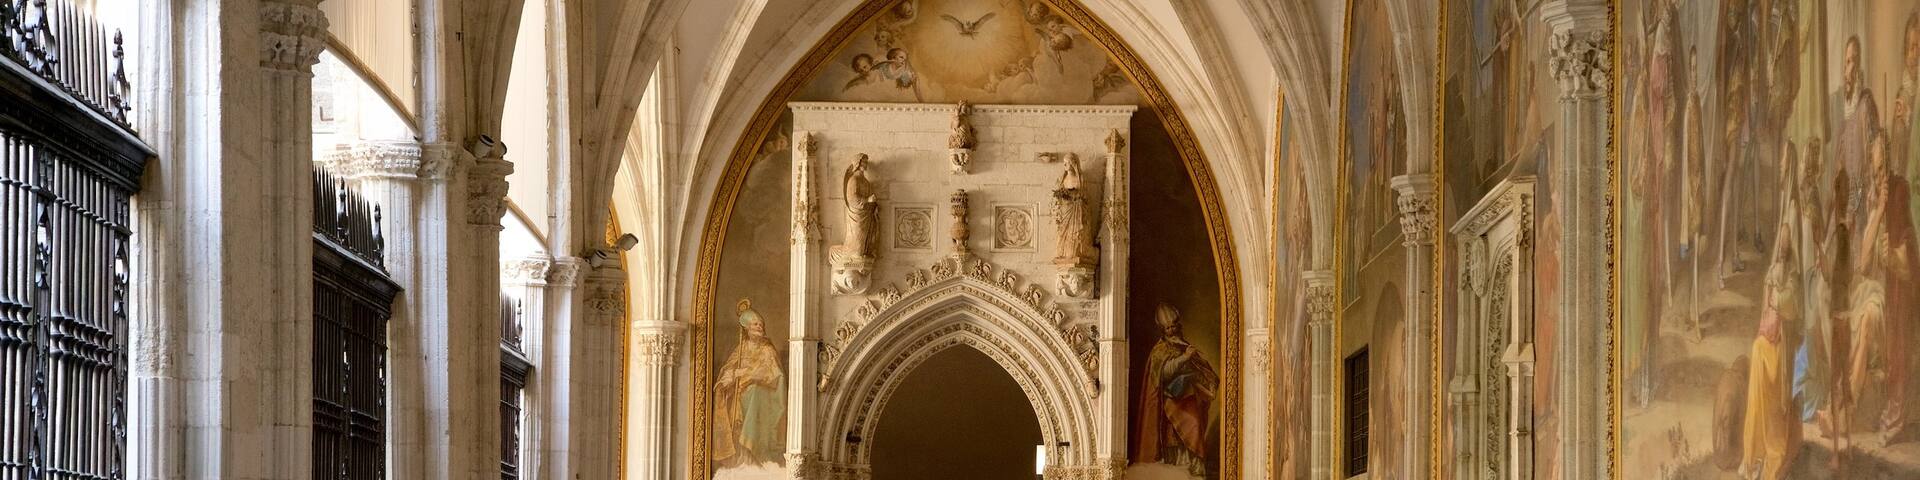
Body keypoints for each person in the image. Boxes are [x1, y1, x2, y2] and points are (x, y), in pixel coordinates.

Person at [1133, 304, 1219, 477]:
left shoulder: (1183, 344)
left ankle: (1193, 467)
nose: (1172, 330)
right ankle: (1181, 469)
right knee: (1187, 428)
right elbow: (1163, 373)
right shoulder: (1160, 350)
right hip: (1172, 399)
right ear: (1163, 330)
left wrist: (1204, 374)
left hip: (1189, 396)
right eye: (1168, 327)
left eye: (1174, 326)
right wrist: (1185, 358)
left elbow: (1199, 367)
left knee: (1195, 426)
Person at [1741, 258, 1797, 480]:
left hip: (1778, 351)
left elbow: (1788, 312)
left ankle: (1764, 455)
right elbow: (1766, 321)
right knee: (1757, 350)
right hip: (1765, 348)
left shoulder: (1789, 289)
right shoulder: (1771, 295)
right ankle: (1753, 454)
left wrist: (1778, 305)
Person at [712, 298, 786, 468]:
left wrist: (745, 375)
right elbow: (727, 371)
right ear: (746, 329)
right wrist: (731, 375)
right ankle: (742, 456)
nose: (760, 327)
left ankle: (754, 454)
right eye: (755, 324)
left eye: (761, 324)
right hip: (739, 396)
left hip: (765, 398)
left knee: (754, 391)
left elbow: (774, 375)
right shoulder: (741, 348)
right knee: (740, 400)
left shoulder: (767, 349)